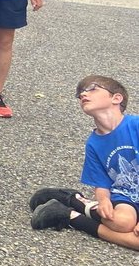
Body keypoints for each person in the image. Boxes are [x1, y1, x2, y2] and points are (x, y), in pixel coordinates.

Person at [30, 75, 139, 250]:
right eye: (80, 93)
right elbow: (102, 183)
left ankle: (71, 212)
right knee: (122, 223)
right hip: (125, 197)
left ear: (116, 98)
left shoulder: (136, 125)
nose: (83, 94)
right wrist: (103, 200)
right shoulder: (93, 144)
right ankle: (77, 205)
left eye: (92, 89)